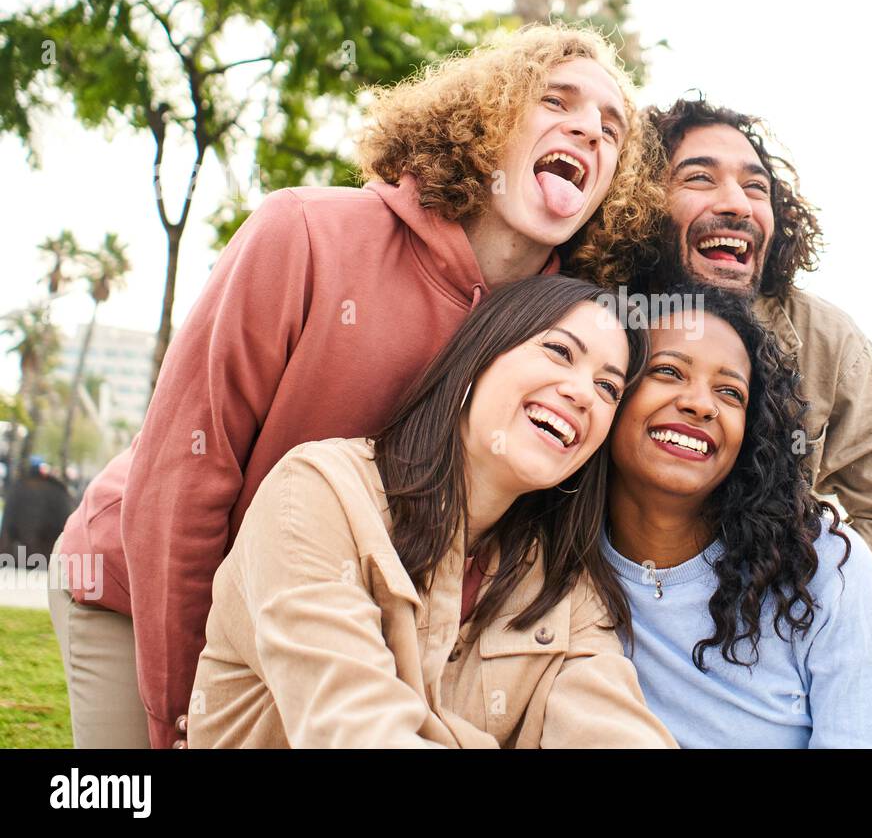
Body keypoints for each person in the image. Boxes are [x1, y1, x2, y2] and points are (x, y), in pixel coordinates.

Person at [50, 24, 664, 749]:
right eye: (556, 100)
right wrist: (183, 711)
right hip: (144, 586)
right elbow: (183, 472)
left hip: (335, 615)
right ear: (488, 117)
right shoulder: (306, 234)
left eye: (611, 128)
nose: (588, 129)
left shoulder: (569, 329)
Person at [188, 276, 675, 748]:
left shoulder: (567, 592)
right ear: (477, 359)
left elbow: (613, 730)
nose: (582, 393)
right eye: (560, 351)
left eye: (608, 388)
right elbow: (354, 729)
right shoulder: (318, 492)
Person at [625, 96, 872, 714]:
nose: (736, 202)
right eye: (699, 177)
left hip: (754, 598)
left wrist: (785, 587)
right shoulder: (600, 308)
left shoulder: (828, 340)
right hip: (613, 592)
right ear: (637, 201)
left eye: (757, 187)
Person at [600, 285, 872, 747]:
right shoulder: (552, 560)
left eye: (730, 392)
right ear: (612, 392)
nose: (701, 404)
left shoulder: (824, 566)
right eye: (668, 371)